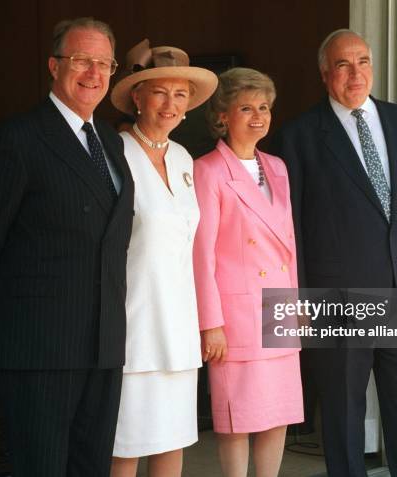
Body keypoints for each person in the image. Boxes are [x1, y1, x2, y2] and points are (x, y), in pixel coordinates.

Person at [270, 29, 397, 476]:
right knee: (342, 416)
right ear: (324, 73)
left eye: (363, 61)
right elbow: (287, 229)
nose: (356, 73)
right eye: (343, 64)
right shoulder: (297, 138)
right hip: (337, 300)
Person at [0, 18, 134, 477]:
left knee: (91, 466)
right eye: (82, 60)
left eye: (104, 63)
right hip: (39, 344)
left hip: (103, 343)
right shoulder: (19, 138)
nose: (93, 72)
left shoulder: (113, 145)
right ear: (54, 66)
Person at [108, 39, 217, 477]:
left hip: (178, 329)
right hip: (132, 328)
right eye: (159, 92)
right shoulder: (115, 154)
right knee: (125, 445)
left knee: (173, 443)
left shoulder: (183, 157)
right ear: (137, 97)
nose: (170, 104)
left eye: (180, 94)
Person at [193, 67, 304, 477]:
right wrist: (211, 324)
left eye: (264, 107)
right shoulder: (207, 170)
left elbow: (288, 244)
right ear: (222, 116)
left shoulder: (277, 166)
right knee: (237, 417)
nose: (258, 116)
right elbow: (201, 255)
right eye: (246, 107)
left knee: (278, 412)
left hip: (277, 309)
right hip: (235, 317)